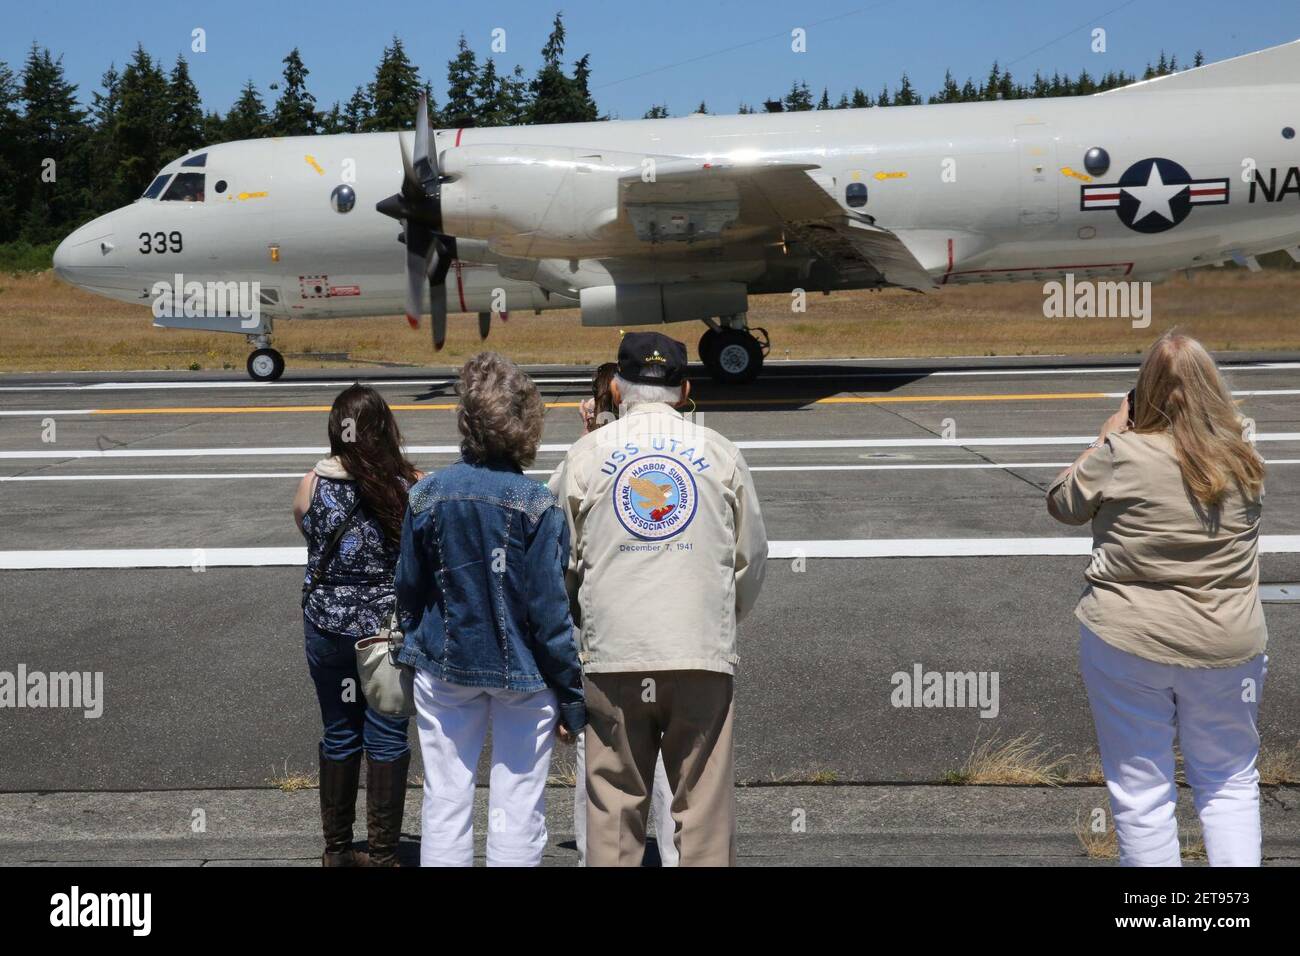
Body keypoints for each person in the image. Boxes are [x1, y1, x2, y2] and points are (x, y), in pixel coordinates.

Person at [1047, 331, 1268, 867]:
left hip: (1127, 638)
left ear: (1140, 393)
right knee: (1229, 781)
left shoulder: (1120, 454)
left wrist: (1103, 438)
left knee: (1141, 789)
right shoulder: (1245, 453)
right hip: (1228, 642)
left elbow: (1062, 503)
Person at [551, 332, 768, 866]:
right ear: (685, 388)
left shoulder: (584, 455)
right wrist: (718, 618)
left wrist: (584, 619)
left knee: (615, 811)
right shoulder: (720, 452)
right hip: (698, 653)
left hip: (615, 656)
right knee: (704, 813)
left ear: (619, 391)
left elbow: (559, 561)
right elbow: (750, 559)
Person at [395, 352, 585, 867]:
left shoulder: (427, 494)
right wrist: (571, 694)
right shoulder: (536, 505)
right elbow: (550, 616)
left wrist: (411, 650)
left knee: (446, 797)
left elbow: (408, 589)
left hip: (444, 662)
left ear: (466, 421)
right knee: (518, 803)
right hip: (524, 672)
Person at [555, 362, 677, 867]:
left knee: (603, 768)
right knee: (675, 766)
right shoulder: (697, 450)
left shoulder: (583, 457)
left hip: (607, 643)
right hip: (678, 637)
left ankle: (598, 857)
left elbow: (558, 549)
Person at [293, 383, 420, 867]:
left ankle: (337, 850)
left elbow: (307, 531)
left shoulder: (313, 483)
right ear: (386, 429)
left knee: (339, 731)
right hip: (385, 635)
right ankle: (384, 852)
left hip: (326, 628)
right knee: (386, 734)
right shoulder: (408, 486)